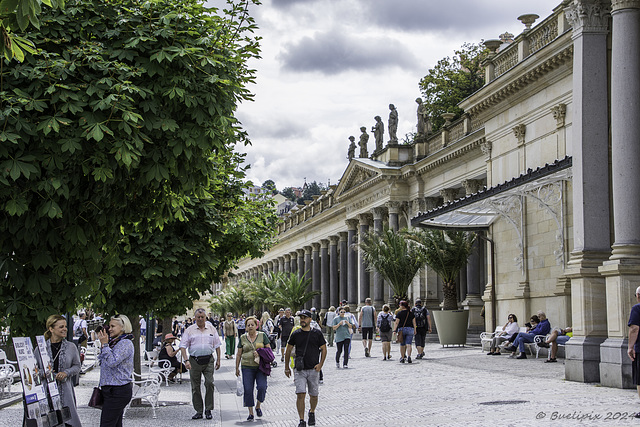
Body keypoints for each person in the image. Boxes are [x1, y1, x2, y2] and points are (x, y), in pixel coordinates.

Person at [284, 310, 327, 427]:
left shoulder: (317, 333)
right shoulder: (296, 334)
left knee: (314, 394)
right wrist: (286, 367)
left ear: (310, 319)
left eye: (305, 317)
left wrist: (320, 364)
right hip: (300, 370)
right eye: (301, 318)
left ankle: (312, 411)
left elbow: (324, 349)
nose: (302, 320)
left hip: (313, 369)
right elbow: (288, 350)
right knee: (300, 394)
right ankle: (302, 420)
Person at [179, 308, 222, 420]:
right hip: (194, 361)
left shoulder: (211, 329)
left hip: (208, 360)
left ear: (205, 318)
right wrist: (186, 361)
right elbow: (182, 346)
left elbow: (217, 345)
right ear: (195, 318)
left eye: (202, 317)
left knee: (209, 383)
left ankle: (208, 409)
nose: (200, 319)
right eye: (198, 317)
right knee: (195, 387)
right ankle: (198, 410)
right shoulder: (190, 330)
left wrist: (218, 360)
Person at [96, 314, 134, 427]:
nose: (110, 329)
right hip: (110, 389)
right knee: (115, 424)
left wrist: (104, 344)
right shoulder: (114, 342)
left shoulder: (125, 343)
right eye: (109, 326)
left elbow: (112, 361)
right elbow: (103, 360)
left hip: (118, 390)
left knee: (106, 423)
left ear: (123, 327)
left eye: (113, 326)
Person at [45, 314, 82, 427]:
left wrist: (66, 372)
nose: (65, 329)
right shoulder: (41, 348)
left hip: (65, 391)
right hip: (47, 393)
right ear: (51, 329)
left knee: (67, 421)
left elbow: (77, 366)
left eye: (65, 326)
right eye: (61, 327)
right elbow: (35, 369)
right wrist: (49, 374)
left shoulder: (71, 347)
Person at [235, 316, 271, 421]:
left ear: (256, 326)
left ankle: (258, 405)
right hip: (247, 367)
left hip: (261, 367)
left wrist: (261, 352)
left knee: (262, 387)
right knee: (248, 389)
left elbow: (268, 349)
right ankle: (250, 412)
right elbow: (238, 354)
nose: (250, 327)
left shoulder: (262, 335)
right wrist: (236, 367)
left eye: (252, 325)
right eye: (248, 325)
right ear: (245, 327)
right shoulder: (242, 338)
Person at [627, 286, 640, 419]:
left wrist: (630, 347)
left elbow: (634, 328)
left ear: (637, 295)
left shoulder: (637, 308)